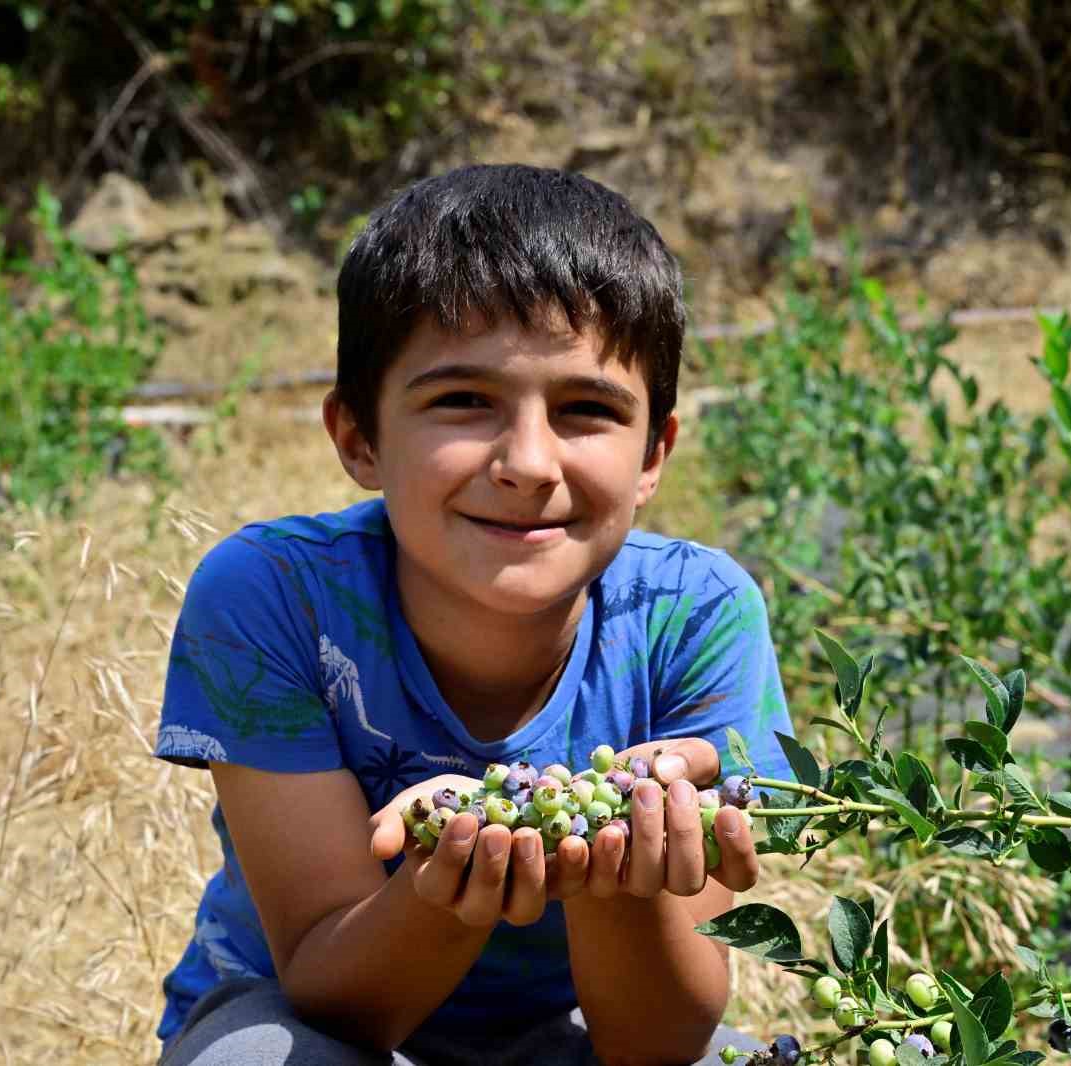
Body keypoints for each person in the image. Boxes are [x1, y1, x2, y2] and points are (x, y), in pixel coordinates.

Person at [153, 163, 797, 1066]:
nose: (528, 463)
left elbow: (656, 1041)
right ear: (359, 437)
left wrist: (612, 855)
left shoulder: (697, 614)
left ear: (655, 452)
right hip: (318, 1025)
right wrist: (448, 874)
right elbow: (333, 992)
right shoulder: (272, 596)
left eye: (586, 409)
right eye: (463, 401)